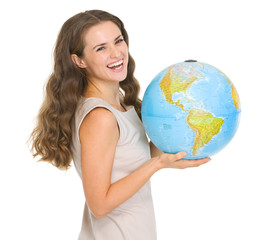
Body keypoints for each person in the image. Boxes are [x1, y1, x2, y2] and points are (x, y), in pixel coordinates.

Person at [30, 10, 210, 240]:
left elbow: (132, 159)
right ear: (79, 60)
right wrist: (157, 165)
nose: (117, 53)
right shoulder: (100, 117)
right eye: (101, 48)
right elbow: (100, 204)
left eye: (118, 41)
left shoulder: (120, 105)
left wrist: (179, 136)